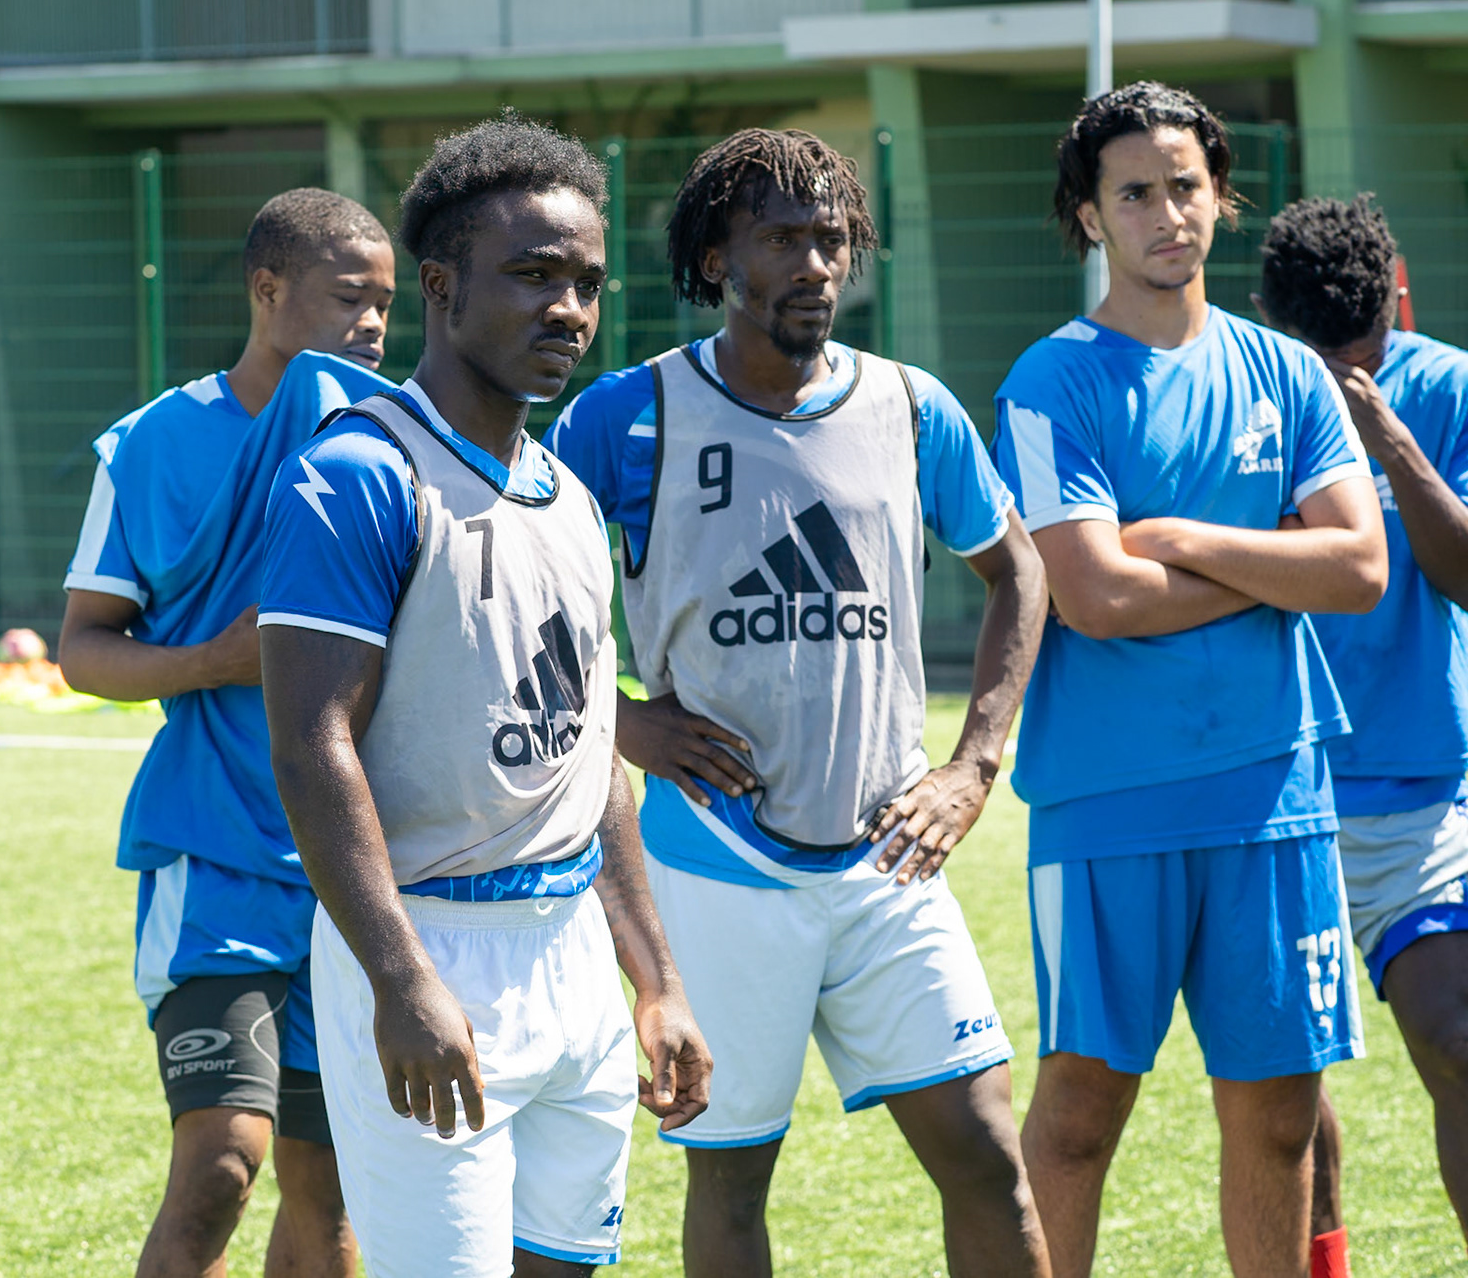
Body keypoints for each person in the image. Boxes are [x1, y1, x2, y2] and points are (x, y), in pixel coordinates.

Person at [548, 127, 1052, 1278]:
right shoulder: (626, 417)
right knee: (733, 1184)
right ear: (721, 256)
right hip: (717, 858)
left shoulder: (912, 407)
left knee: (986, 1155)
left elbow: (1020, 571)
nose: (816, 264)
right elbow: (523, 593)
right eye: (783, 238)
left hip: (888, 858)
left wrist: (973, 764)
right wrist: (622, 719)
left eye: (833, 239)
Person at [257, 114, 712, 1277]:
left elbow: (588, 748)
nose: (568, 307)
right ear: (442, 285)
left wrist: (654, 981)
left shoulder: (563, 492)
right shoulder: (356, 474)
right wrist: (403, 979)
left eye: (586, 282)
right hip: (426, 940)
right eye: (532, 274)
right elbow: (314, 749)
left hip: (571, 954)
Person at [992, 83, 1389, 1278]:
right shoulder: (1049, 382)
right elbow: (1096, 599)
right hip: (1109, 803)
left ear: (1220, 195)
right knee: (1077, 1115)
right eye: (1136, 192)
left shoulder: (1285, 372)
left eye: (1186, 185)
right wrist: (1278, 565)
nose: (1168, 211)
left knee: (1277, 1117)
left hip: (1274, 790)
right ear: (1090, 218)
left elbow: (1363, 568)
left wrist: (1185, 538)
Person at [58, 187, 395, 1278]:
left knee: (330, 1180)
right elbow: (82, 644)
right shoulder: (154, 444)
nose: (375, 325)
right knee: (220, 1163)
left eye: (388, 303)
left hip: (359, 867)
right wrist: (211, 660)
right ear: (267, 288)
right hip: (217, 861)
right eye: (352, 297)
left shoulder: (392, 442)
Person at [1253, 195, 1468, 1275]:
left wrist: (1385, 434)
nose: (1345, 367)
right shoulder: (1238, 394)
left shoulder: (1445, 385)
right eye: (1319, 353)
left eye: (1365, 344)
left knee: (1459, 1037)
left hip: (1420, 790)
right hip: (1270, 791)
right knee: (1287, 1093)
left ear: (1398, 297)